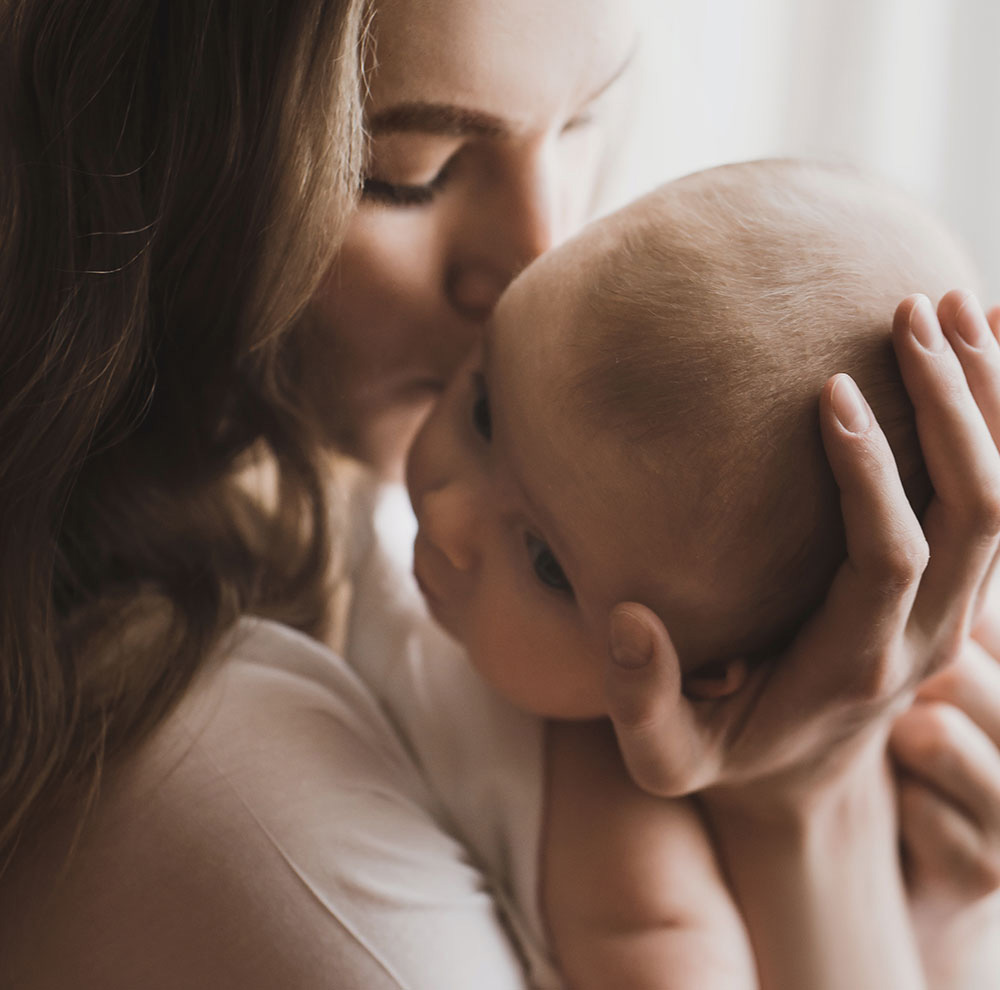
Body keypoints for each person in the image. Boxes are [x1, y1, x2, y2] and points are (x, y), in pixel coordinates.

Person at [0, 1, 998, 987]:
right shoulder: (233, 778)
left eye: (582, 122)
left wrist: (926, 921)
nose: (541, 256)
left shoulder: (464, 525)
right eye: (410, 176)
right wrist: (817, 841)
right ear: (142, 161)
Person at [402, 157, 990, 988]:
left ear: (707, 675)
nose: (447, 513)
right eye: (486, 410)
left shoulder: (625, 851)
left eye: (545, 561)